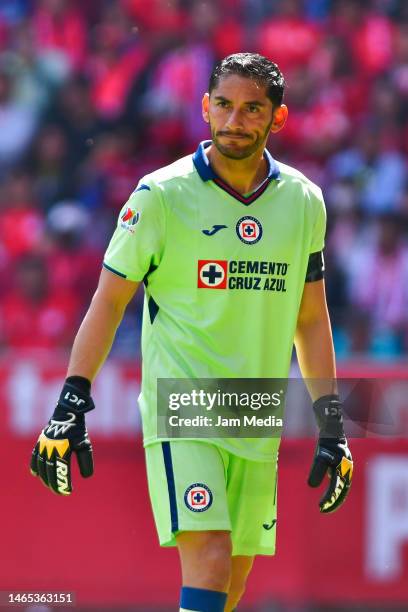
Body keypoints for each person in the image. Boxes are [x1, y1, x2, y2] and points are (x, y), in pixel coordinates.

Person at [30, 53, 353, 612]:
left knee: (232, 581)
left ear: (277, 119)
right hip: (183, 404)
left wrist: (333, 426)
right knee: (208, 560)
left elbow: (310, 317)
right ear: (205, 108)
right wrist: (71, 399)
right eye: (224, 106)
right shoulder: (160, 196)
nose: (235, 120)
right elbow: (108, 302)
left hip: (254, 408)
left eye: (253, 109)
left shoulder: (304, 202)